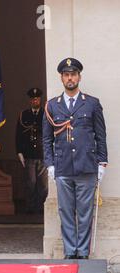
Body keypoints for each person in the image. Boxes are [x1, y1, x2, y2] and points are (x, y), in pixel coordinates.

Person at [43, 58, 107, 259]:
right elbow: (46, 138)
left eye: (73, 74)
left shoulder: (92, 103)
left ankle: (82, 252)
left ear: (79, 76)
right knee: (66, 211)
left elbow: (100, 135)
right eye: (66, 74)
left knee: (85, 212)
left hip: (87, 166)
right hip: (62, 167)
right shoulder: (52, 106)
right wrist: (50, 164)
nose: (70, 78)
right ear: (61, 78)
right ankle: (70, 252)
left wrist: (102, 162)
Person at [15, 88, 48, 214]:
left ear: (40, 99)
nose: (35, 100)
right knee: (31, 183)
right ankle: (30, 208)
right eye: (33, 99)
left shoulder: (45, 114)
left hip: (43, 154)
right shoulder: (24, 115)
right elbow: (19, 134)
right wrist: (19, 152)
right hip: (29, 154)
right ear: (30, 100)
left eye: (37, 98)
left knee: (43, 186)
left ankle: (41, 208)